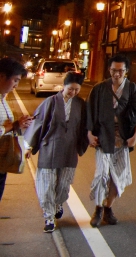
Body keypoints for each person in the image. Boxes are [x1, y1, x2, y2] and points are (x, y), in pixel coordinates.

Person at [86, 54, 136, 228]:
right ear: (109, 70)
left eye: (120, 71)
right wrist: (90, 134)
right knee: (101, 175)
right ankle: (98, 209)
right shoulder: (98, 89)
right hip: (103, 138)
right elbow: (89, 112)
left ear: (126, 71)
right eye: (114, 70)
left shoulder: (132, 89)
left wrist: (135, 136)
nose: (117, 74)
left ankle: (108, 208)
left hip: (122, 139)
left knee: (117, 177)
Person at [24, 72, 89, 232]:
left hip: (69, 149)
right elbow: (38, 123)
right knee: (46, 185)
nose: (73, 92)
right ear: (63, 86)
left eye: (76, 89)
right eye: (70, 89)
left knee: (63, 184)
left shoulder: (80, 104)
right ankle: (49, 217)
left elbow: (85, 127)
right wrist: (29, 146)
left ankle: (58, 203)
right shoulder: (50, 102)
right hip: (49, 147)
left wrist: (90, 139)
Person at [0, 57, 33, 202]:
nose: (16, 85)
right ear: (2, 76)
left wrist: (18, 126)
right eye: (15, 80)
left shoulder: (3, 99)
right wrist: (12, 126)